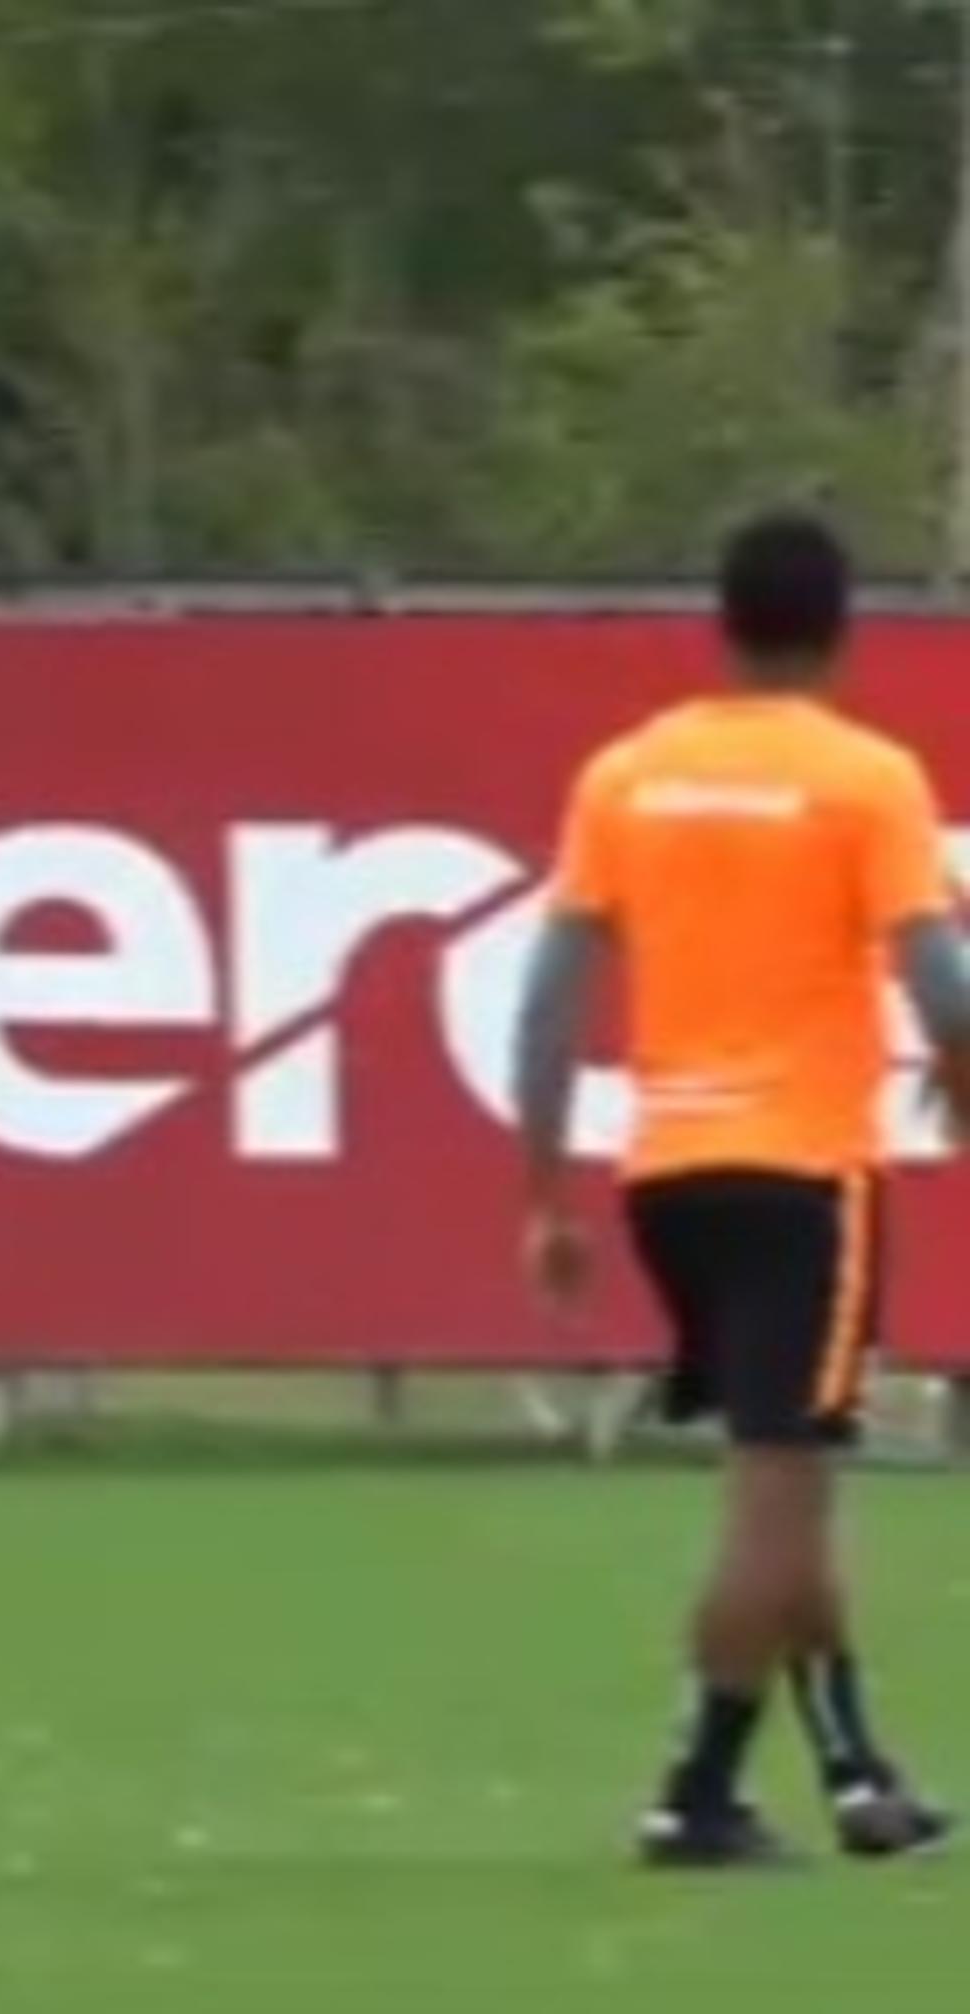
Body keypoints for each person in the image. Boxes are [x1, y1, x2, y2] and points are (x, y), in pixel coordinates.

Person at [512, 508, 962, 1869]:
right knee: (777, 1492)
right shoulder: (863, 777)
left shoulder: (631, 773)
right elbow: (937, 967)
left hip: (671, 1172)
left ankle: (855, 1766)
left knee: (790, 1481)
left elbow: (548, 995)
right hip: (805, 1169)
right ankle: (696, 1787)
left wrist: (543, 1189)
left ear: (721, 619)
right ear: (841, 628)